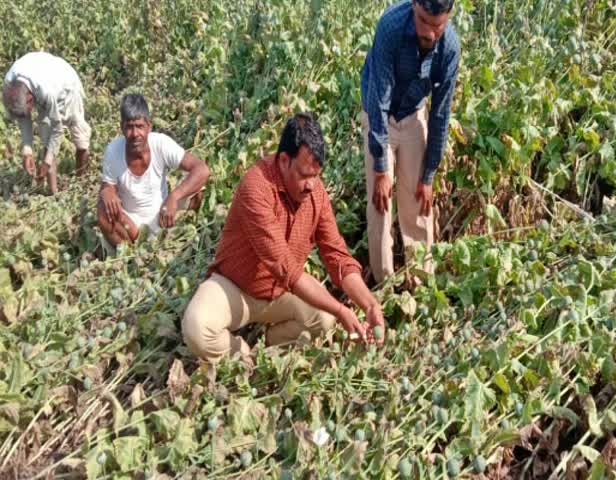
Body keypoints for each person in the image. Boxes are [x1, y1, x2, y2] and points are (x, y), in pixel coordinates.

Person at [182, 112, 385, 363]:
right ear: (283, 160)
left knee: (324, 321)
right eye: (304, 175)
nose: (311, 184)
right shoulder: (255, 187)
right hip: (236, 286)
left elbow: (337, 256)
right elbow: (287, 267)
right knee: (196, 327)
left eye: (316, 175)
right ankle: (244, 356)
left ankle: (272, 344)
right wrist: (342, 309)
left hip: (280, 292)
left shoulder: (316, 194)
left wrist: (370, 304)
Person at [362, 0, 460, 283]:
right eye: (423, 21)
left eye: (438, 25)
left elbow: (440, 114)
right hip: (378, 113)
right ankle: (385, 286)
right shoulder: (390, 26)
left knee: (419, 202)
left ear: (448, 17)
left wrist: (428, 176)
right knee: (380, 203)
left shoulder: (449, 47)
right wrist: (382, 169)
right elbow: (378, 98)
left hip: (414, 113)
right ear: (414, 5)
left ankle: (420, 282)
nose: (429, 33)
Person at [97, 93, 210, 246]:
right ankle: (130, 254)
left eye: (140, 126)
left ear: (149, 126)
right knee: (103, 208)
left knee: (198, 189)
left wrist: (174, 197)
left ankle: (183, 239)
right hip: (131, 226)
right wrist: (107, 192)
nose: (135, 134)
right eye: (129, 127)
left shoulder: (160, 143)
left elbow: (202, 169)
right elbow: (107, 186)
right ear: (121, 128)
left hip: (163, 216)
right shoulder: (113, 150)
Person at [3, 52, 92, 194]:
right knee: (46, 136)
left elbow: (57, 131)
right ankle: (53, 192)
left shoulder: (46, 91)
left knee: (79, 137)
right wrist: (27, 150)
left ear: (30, 100)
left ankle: (81, 184)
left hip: (66, 85)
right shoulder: (11, 85)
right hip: (42, 76)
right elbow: (22, 116)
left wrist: (47, 161)